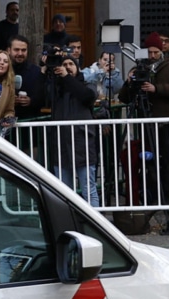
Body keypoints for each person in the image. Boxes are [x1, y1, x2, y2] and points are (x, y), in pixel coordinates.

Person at [119, 32, 169, 230]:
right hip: (145, 124)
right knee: (146, 163)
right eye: (149, 51)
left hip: (166, 123)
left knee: (167, 162)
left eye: (155, 51)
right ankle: (149, 198)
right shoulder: (139, 67)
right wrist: (130, 81)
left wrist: (155, 88)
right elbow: (124, 97)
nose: (152, 55)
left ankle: (168, 202)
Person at [46, 56, 100, 207]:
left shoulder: (88, 84)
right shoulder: (56, 87)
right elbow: (44, 96)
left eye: (71, 64)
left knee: (89, 189)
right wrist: (47, 72)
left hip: (82, 142)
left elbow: (86, 97)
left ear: (77, 67)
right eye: (64, 64)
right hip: (61, 143)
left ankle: (96, 224)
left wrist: (66, 77)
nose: (67, 67)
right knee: (64, 192)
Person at [7, 36, 44, 119]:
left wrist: (31, 101)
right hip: (5, 122)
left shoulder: (36, 72)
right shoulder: (1, 71)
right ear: (9, 50)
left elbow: (44, 97)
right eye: (16, 50)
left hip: (30, 121)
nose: (20, 53)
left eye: (23, 50)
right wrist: (8, 101)